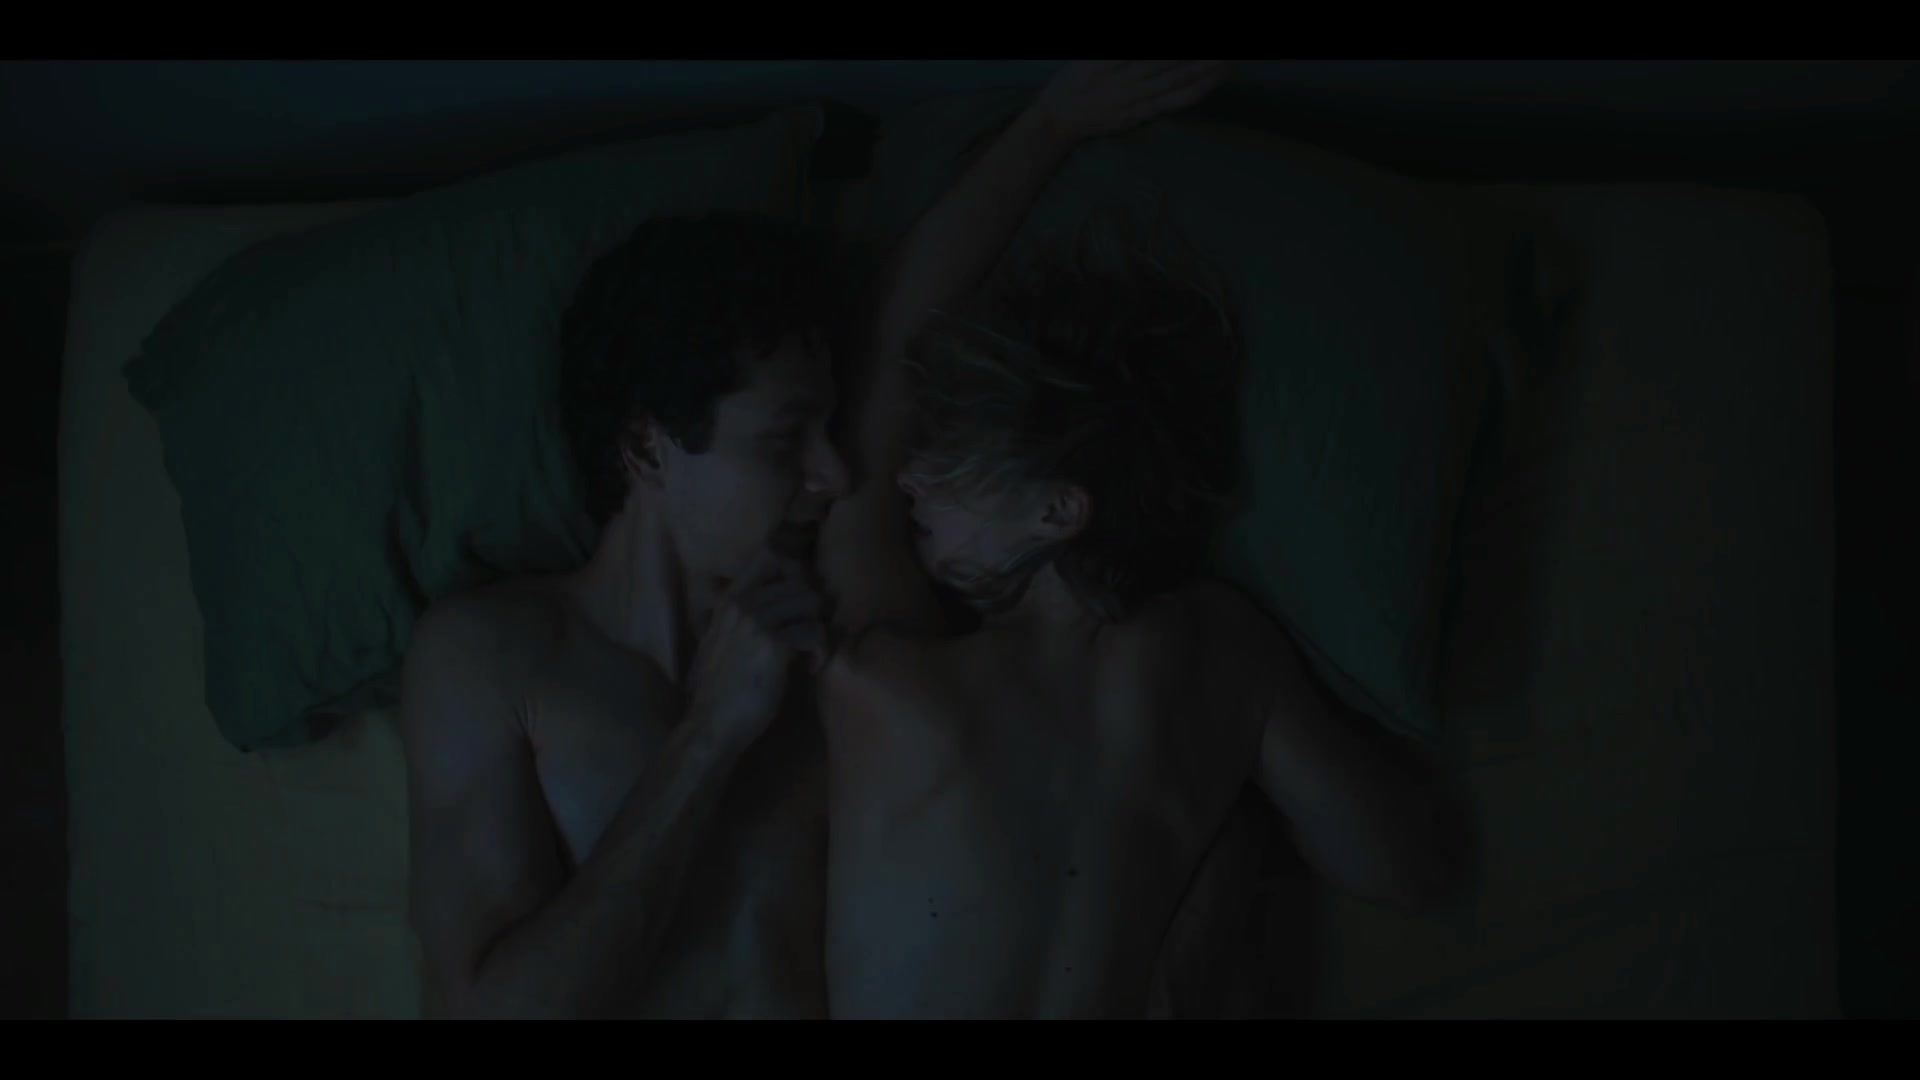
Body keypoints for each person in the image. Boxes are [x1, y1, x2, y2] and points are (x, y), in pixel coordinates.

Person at [814, 61, 1464, 1019]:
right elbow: (1406, 871)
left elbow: (879, 367)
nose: (911, 480)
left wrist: (1045, 129)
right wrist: (1228, 830)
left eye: (951, 466)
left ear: (1058, 511)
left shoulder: (889, 678)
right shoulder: (1226, 658)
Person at [399, 213, 853, 1019]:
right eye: (786, 440)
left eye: (833, 432)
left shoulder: (837, 647)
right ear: (647, 449)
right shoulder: (494, 656)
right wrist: (710, 733)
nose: (835, 475)